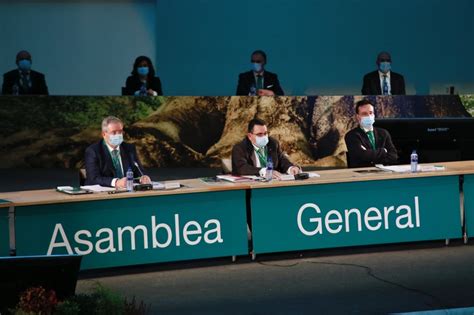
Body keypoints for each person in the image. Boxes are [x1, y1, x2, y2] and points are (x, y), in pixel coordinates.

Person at [85, 116, 151, 188]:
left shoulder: (129, 148)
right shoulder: (93, 151)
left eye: (120, 132)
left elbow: (139, 172)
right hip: (102, 194)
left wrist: (143, 178)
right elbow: (93, 178)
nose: (118, 135)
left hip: (128, 192)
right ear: (104, 134)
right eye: (114, 132)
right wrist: (116, 182)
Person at [232, 118, 300, 179]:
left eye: (265, 133)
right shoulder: (240, 148)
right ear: (250, 136)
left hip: (272, 183)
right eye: (259, 134)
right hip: (251, 185)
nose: (264, 137)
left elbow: (282, 160)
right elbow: (241, 168)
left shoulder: (273, 143)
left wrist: (290, 168)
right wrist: (263, 171)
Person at [345, 99, 398, 168]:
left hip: (384, 172)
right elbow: (362, 156)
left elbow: (393, 156)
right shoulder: (351, 136)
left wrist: (369, 154)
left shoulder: (384, 133)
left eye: (371, 113)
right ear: (358, 117)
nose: (369, 116)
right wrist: (383, 151)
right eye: (364, 114)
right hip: (362, 174)